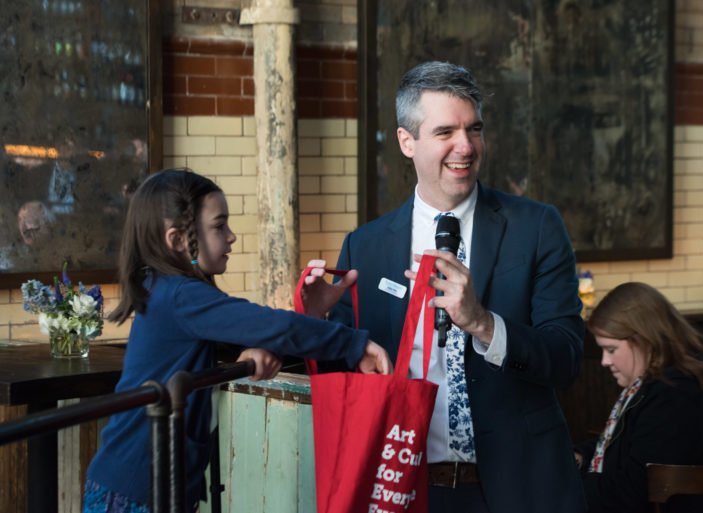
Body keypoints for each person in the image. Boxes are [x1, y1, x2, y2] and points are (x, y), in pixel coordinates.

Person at [305, 61, 586, 513]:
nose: (466, 146)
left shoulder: (536, 227)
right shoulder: (367, 245)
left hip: (523, 488)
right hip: (407, 486)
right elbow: (346, 372)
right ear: (406, 142)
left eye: (474, 129)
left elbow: (567, 358)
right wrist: (316, 322)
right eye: (445, 133)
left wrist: (482, 323)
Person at [84, 169, 392, 513]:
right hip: (137, 490)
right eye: (219, 226)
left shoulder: (171, 292)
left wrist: (278, 334)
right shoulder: (179, 295)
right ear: (178, 241)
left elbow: (258, 332)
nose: (231, 236)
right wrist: (353, 344)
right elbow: (270, 325)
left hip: (154, 485)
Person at [574, 282, 703, 513]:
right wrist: (582, 455)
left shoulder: (678, 397)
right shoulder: (660, 386)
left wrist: (562, 484)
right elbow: (630, 446)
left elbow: (630, 494)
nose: (604, 361)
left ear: (645, 341)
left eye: (611, 349)